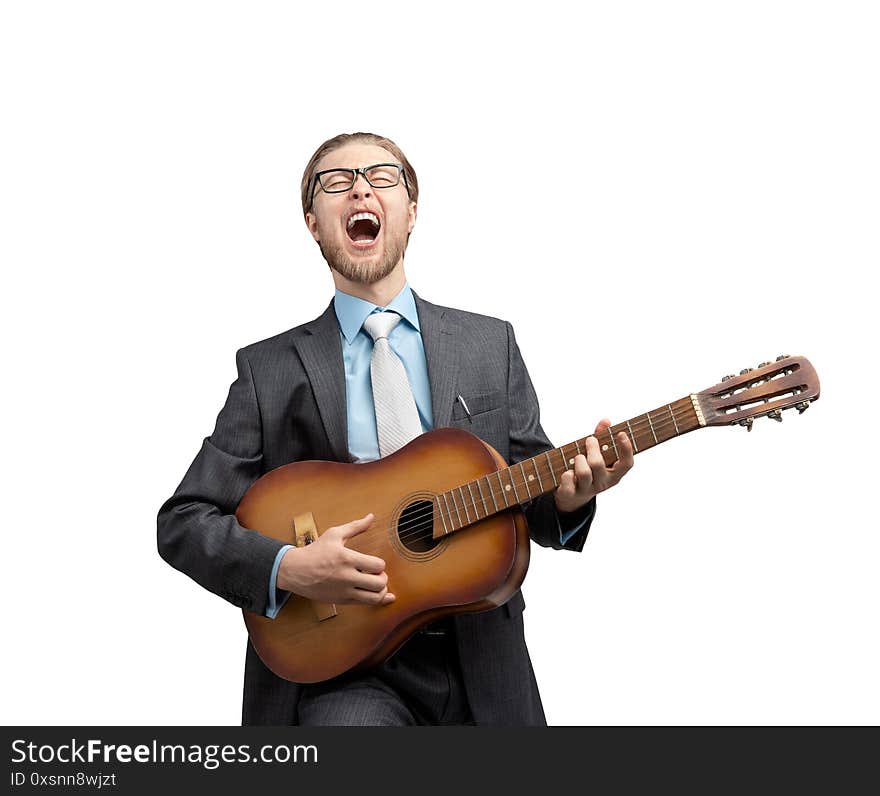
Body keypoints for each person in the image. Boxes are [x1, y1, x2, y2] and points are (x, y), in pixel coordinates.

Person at [157, 132, 634, 726]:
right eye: (335, 182)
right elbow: (182, 521)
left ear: (411, 211)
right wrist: (288, 567)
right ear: (312, 223)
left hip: (482, 661)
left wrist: (571, 498)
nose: (360, 187)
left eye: (382, 177)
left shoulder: (491, 346)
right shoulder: (268, 370)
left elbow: (533, 498)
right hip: (343, 671)